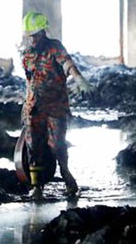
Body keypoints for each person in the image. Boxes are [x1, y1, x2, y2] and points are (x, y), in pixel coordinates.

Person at [18, 11, 93, 200]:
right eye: (30, 36)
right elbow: (30, 81)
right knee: (33, 145)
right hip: (34, 107)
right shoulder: (27, 54)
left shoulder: (55, 47)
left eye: (35, 35)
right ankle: (37, 187)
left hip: (55, 106)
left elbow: (67, 63)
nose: (32, 40)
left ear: (43, 31)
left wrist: (78, 78)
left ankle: (67, 176)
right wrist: (25, 105)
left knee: (57, 144)